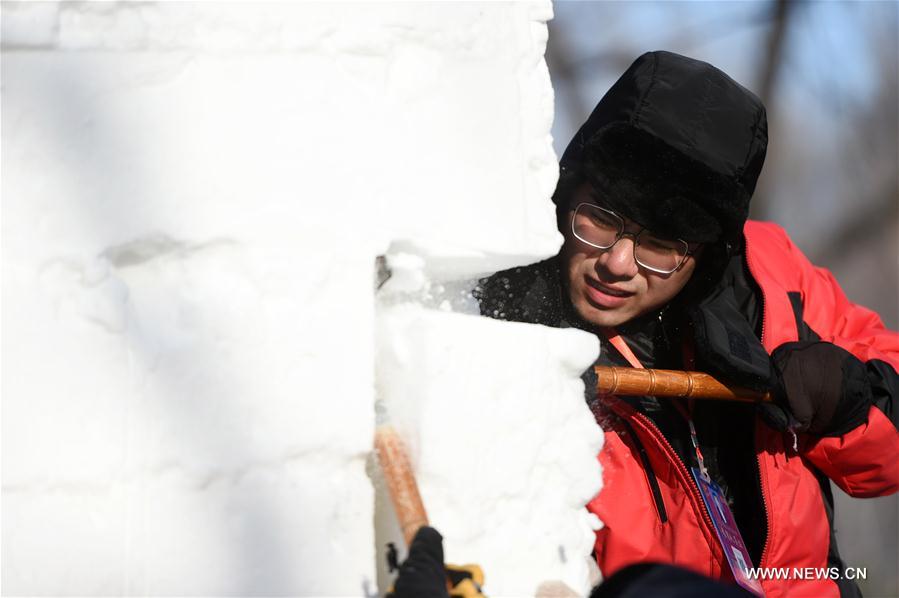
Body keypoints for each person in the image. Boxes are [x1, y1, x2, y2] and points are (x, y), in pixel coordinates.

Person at [391, 51, 899, 597]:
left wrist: (851, 402)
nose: (617, 263)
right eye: (602, 219)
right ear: (568, 194)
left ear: (708, 253)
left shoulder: (773, 278)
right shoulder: (500, 323)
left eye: (660, 244)